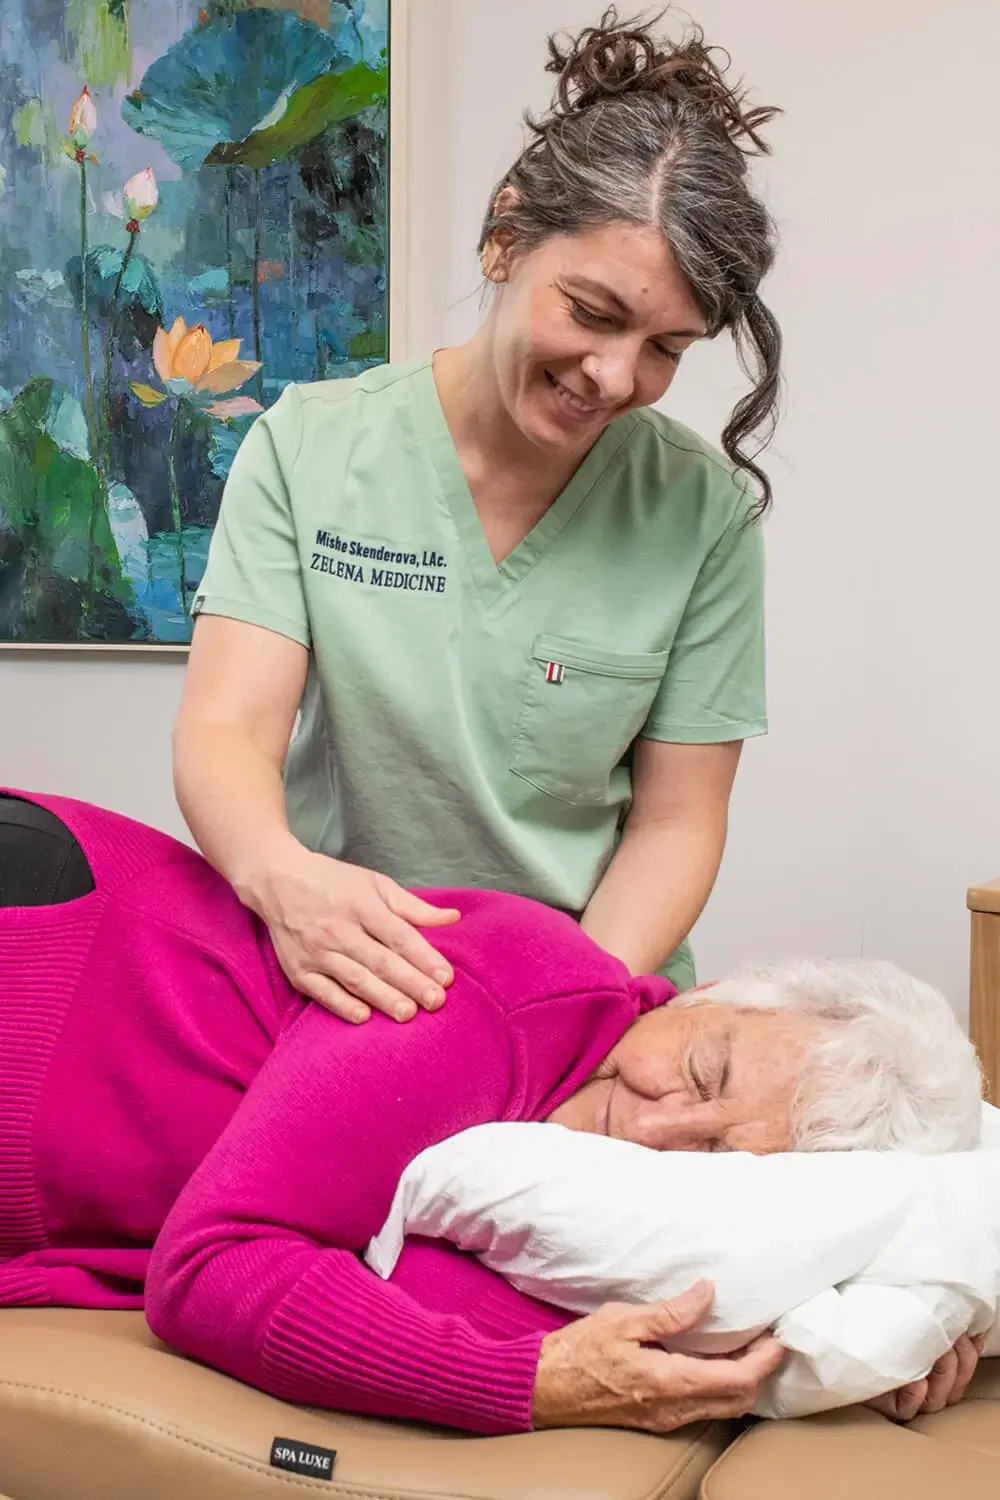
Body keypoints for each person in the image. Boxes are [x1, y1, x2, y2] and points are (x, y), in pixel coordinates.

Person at [0, 790, 985, 1434]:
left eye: (719, 1155)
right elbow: (217, 1267)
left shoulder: (583, 1195)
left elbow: (401, 1273)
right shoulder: (504, 991)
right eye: (703, 1069)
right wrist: (525, 1385)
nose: (654, 1130)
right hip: (35, 945)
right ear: (707, 991)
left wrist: (861, 1343)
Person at [173, 10, 781, 1023]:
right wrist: (281, 880)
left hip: (580, 985)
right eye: (592, 313)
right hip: (344, 976)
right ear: (505, 238)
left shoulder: (698, 513)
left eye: (667, 347)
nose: (617, 377)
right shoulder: (311, 448)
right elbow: (228, 729)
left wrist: (554, 1009)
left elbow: (676, 825)